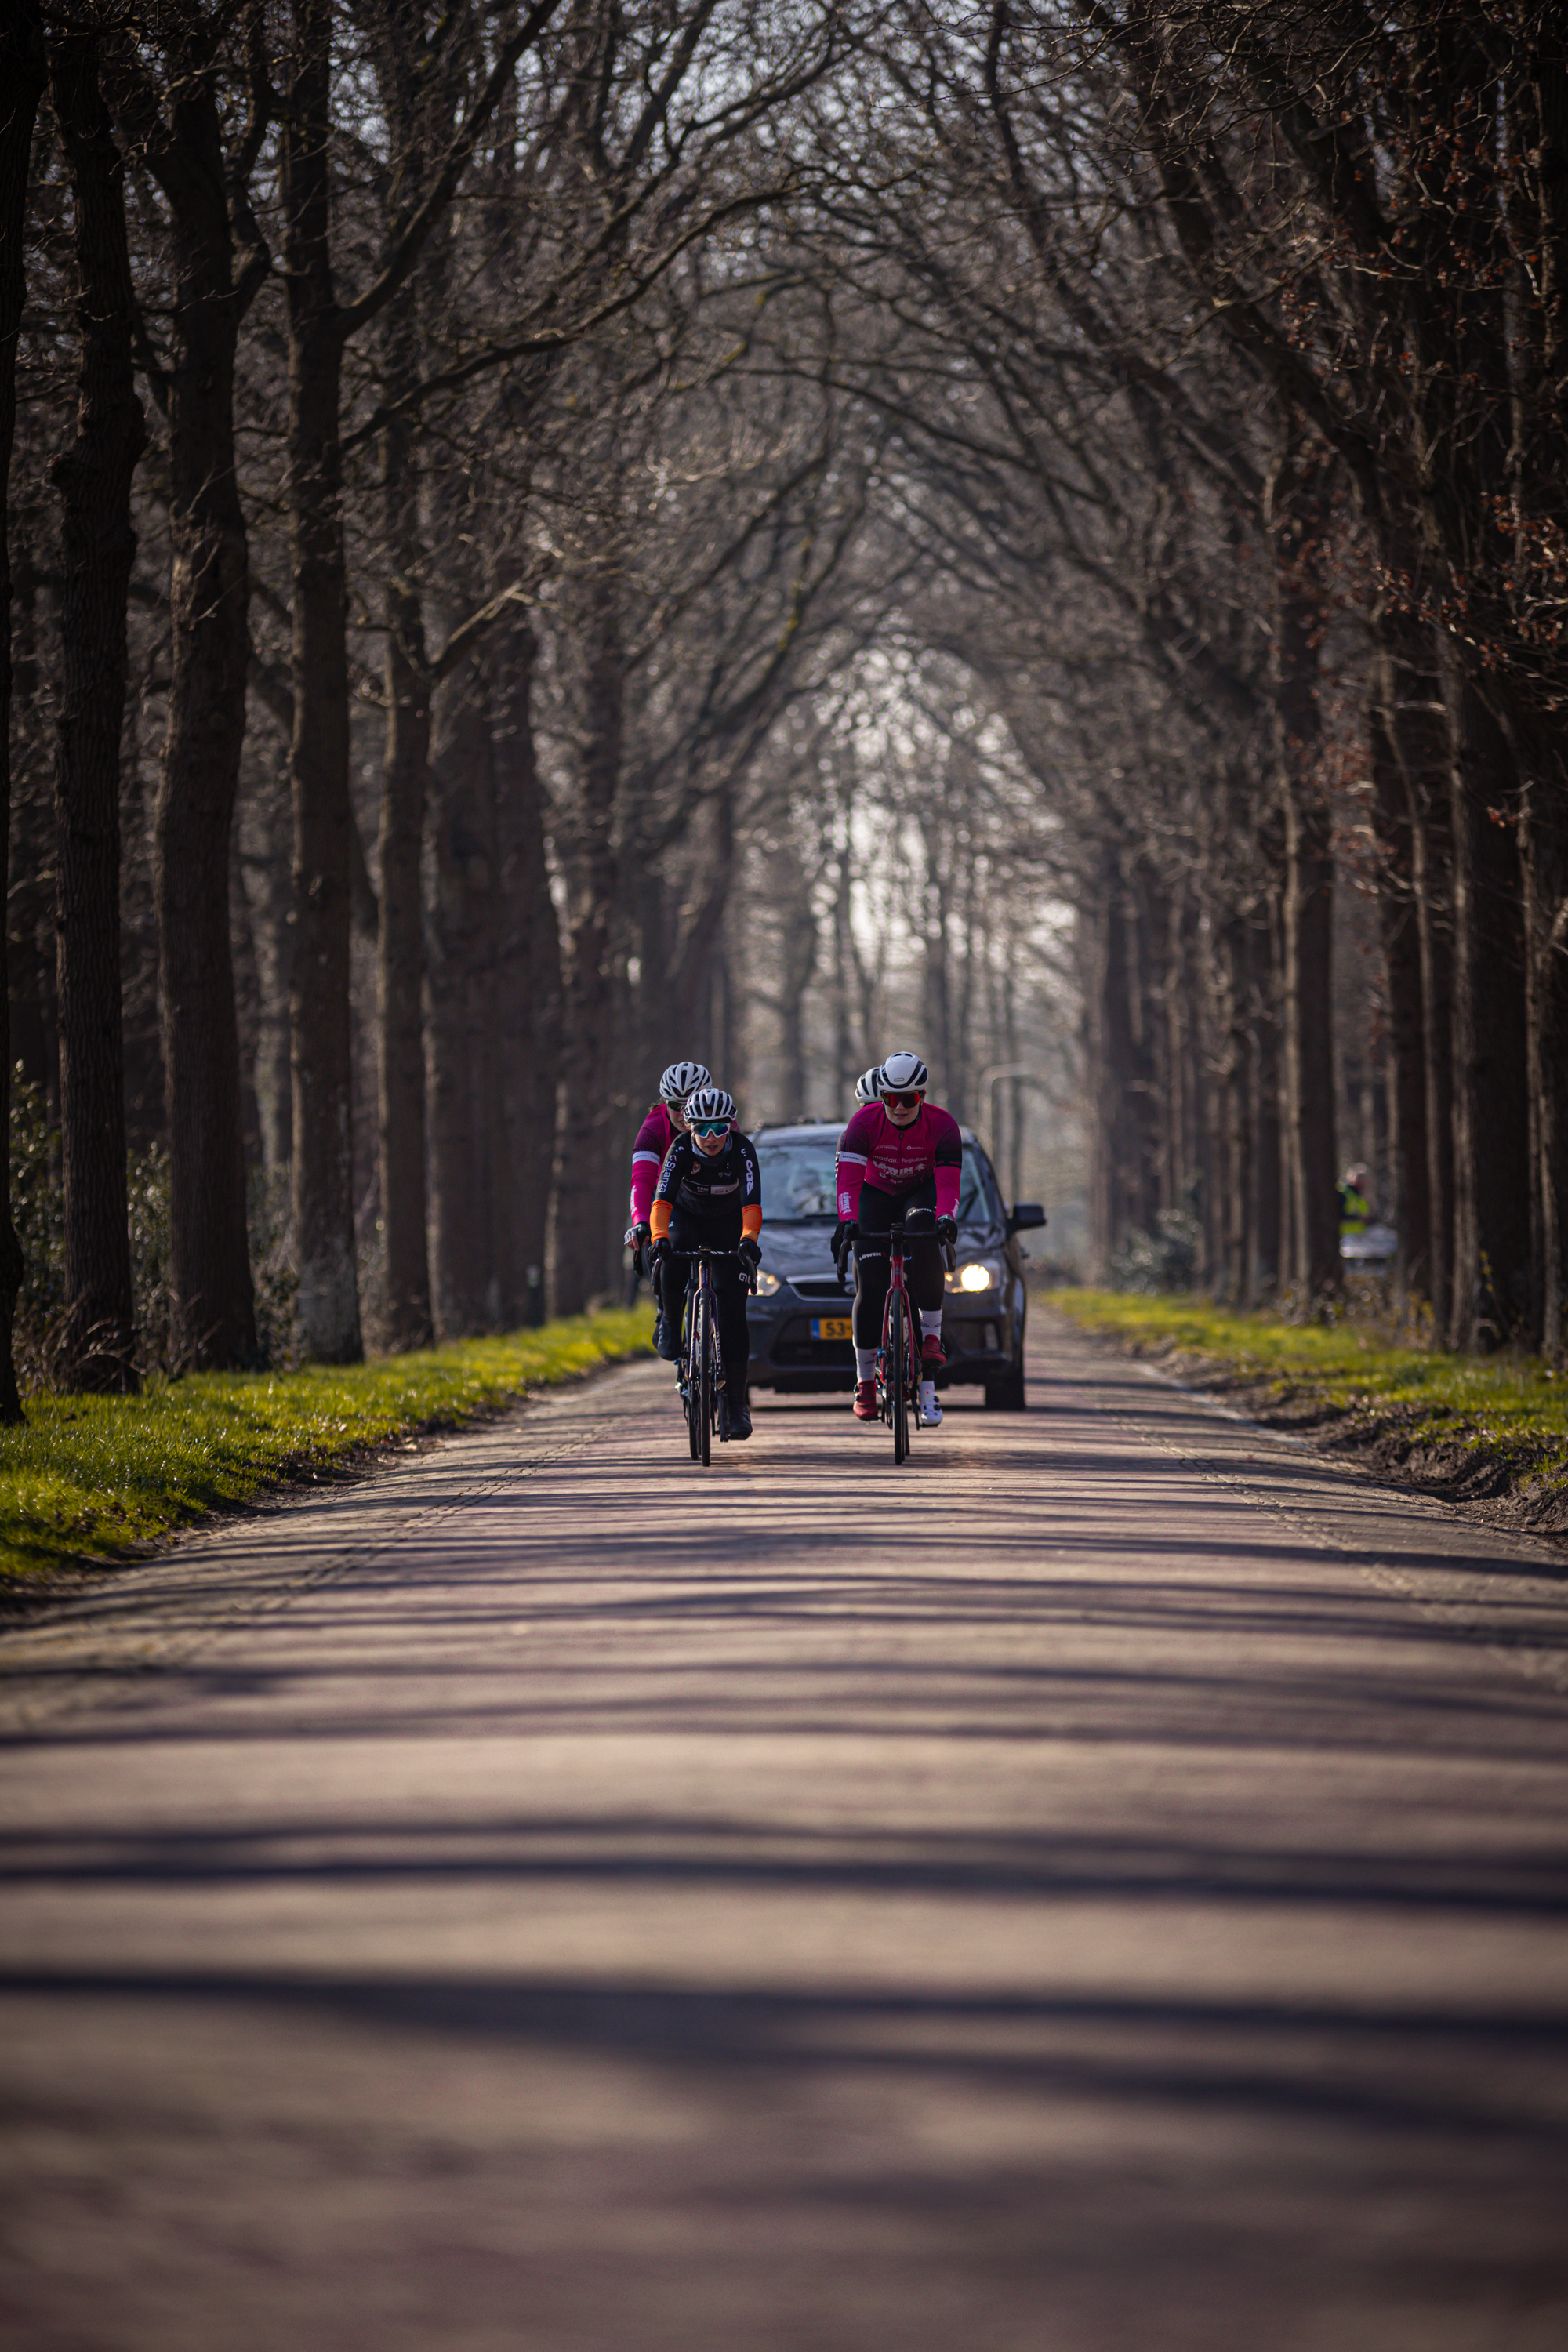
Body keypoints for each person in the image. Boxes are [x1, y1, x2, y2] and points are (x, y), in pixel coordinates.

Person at [833, 1050, 961, 1428]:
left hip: (917, 1194)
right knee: (870, 1286)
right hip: (874, 1196)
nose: (900, 1107)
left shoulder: (943, 1126)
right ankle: (865, 1383)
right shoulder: (862, 1124)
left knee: (925, 1238)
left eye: (909, 1099)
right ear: (883, 1096)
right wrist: (847, 1222)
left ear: (922, 1097)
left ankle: (931, 1338)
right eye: (891, 1098)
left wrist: (946, 1218)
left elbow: (948, 1182)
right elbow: (848, 1184)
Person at [649, 1085, 763, 1440]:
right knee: (671, 1258)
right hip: (687, 1217)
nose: (711, 1138)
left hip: (730, 1223)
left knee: (732, 1314)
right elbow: (662, 1201)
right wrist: (658, 1238)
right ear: (689, 1126)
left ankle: (736, 1404)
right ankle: (670, 1320)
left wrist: (748, 1240)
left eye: (719, 1128)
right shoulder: (680, 1149)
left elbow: (752, 1204)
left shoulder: (743, 1151)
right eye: (701, 1128)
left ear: (731, 1125)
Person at [625, 1060, 710, 1350]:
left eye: (692, 1103)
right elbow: (642, 1182)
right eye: (676, 1105)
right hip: (669, 1202)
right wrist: (641, 1222)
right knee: (669, 1249)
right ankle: (669, 1316)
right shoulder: (653, 1129)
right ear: (664, 1102)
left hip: (712, 1201)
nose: (684, 1114)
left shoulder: (723, 1122)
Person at [1338, 1162, 1372, 1238]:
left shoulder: (1359, 1196)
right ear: (1352, 1178)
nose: (1363, 1184)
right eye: (1360, 1180)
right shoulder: (1343, 1193)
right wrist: (1357, 1218)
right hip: (1345, 1238)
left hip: (1358, 1238)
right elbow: (1338, 1215)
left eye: (1365, 1181)